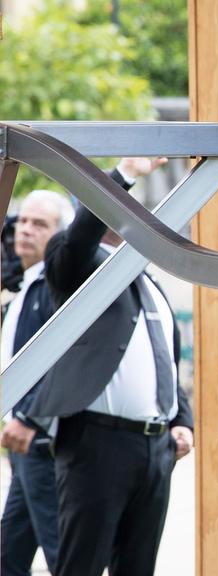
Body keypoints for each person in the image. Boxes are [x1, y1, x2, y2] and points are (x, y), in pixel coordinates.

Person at [25, 157, 194, 576]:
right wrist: (126, 175)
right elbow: (79, 238)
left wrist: (183, 420)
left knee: (137, 567)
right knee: (82, 564)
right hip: (98, 442)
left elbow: (165, 360)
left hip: (154, 449)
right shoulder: (79, 266)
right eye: (120, 205)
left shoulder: (150, 281)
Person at [1, 189, 75, 575]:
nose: (25, 230)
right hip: (23, 447)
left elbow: (58, 363)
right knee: (8, 554)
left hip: (43, 442)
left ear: (62, 235)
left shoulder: (53, 289)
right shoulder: (25, 285)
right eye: (22, 221)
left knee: (60, 551)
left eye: (39, 224)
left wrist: (29, 417)